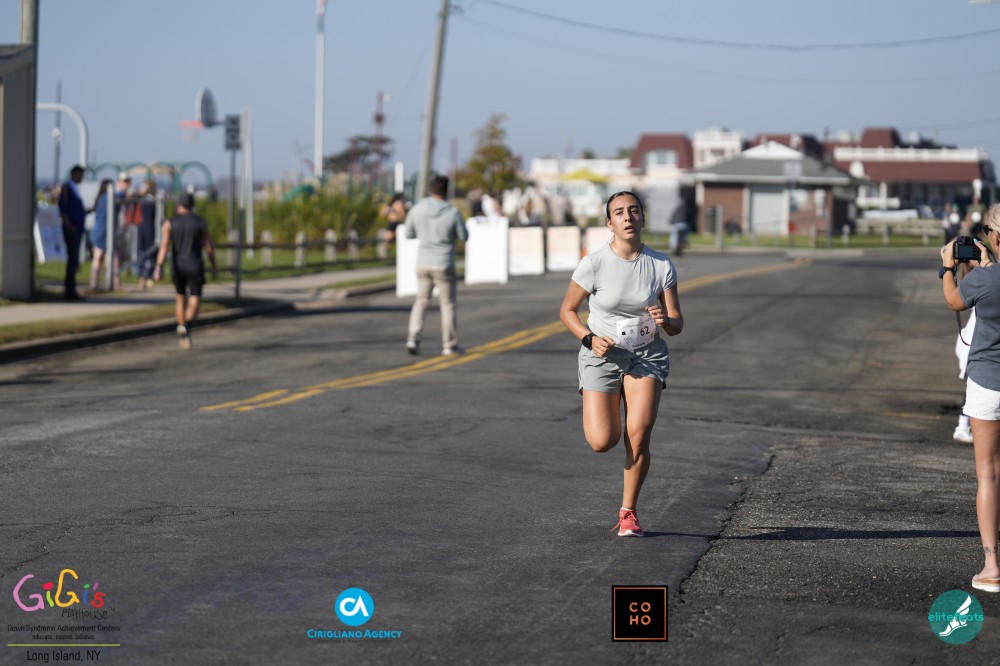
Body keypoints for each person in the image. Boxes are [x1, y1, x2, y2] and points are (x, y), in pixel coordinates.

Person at [559, 191, 683, 537]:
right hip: (603, 355)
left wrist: (665, 321)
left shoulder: (661, 265)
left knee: (638, 436)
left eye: (633, 210)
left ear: (642, 217)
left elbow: (677, 322)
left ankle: (629, 512)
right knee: (603, 441)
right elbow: (567, 311)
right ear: (609, 223)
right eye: (619, 212)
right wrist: (589, 338)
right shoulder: (594, 263)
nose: (627, 217)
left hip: (646, 355)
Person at [940, 202, 1000, 593]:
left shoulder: (986, 280)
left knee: (989, 474)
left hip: (988, 384)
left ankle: (992, 566)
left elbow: (953, 301)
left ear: (995, 237)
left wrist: (948, 267)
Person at [404, 175, 468, 356]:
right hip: (444, 262)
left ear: (431, 189)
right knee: (447, 304)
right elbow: (464, 236)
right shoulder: (453, 212)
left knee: (421, 301)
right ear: (447, 191)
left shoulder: (418, 209)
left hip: (423, 261)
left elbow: (408, 233)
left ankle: (413, 338)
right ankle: (449, 345)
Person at [153, 193, 217, 349]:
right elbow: (208, 246)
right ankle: (186, 326)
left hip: (178, 266)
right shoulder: (200, 222)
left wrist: (158, 266)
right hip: (195, 265)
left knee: (180, 299)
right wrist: (214, 265)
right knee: (195, 299)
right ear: (192, 205)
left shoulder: (170, 222)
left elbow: (164, 245)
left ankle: (181, 327)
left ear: (179, 205)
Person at [88, 174, 130, 292]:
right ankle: (115, 282)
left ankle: (94, 283)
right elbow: (122, 195)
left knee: (98, 258)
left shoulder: (100, 198)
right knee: (113, 259)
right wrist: (124, 187)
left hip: (99, 231)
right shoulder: (110, 197)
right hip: (106, 232)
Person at [58, 165, 87, 300]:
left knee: (74, 260)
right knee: (72, 260)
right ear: (74, 174)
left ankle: (72, 289)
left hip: (77, 228)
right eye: (80, 175)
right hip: (72, 229)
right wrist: (69, 225)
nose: (82, 178)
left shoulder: (75, 188)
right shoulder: (67, 188)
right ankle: (69, 291)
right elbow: (63, 209)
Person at [137, 180, 159, 289]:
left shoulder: (151, 201)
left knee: (148, 254)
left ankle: (145, 278)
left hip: (148, 230)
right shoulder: (142, 200)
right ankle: (146, 277)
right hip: (144, 230)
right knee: (144, 254)